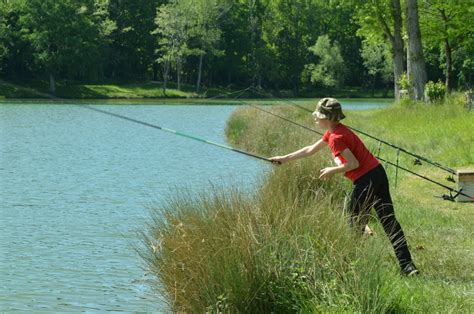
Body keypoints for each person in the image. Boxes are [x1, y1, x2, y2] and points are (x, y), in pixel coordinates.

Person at [269, 98, 419, 276]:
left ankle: (353, 270)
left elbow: (353, 164)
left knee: (355, 225)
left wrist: (333, 170)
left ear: (328, 118)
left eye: (318, 116)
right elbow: (310, 150)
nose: (315, 119)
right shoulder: (334, 132)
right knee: (388, 221)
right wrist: (284, 159)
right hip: (378, 174)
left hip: (366, 180)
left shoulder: (336, 138)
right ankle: (408, 266)